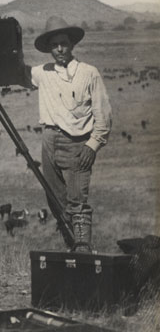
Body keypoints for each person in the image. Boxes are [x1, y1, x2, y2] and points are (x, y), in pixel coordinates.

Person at [27, 16, 112, 252]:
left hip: (77, 145)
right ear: (49, 49)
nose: (59, 49)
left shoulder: (89, 73)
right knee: (55, 201)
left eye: (63, 43)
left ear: (72, 44)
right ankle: (71, 248)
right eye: (54, 45)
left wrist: (92, 145)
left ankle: (83, 251)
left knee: (77, 202)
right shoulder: (43, 73)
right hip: (49, 142)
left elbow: (103, 115)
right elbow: (19, 74)